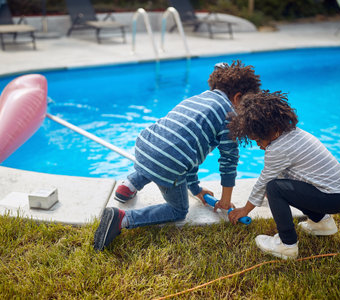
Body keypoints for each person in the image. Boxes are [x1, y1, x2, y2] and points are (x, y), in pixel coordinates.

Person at [94, 61, 262, 251]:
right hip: (167, 161)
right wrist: (225, 200)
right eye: (246, 106)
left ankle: (129, 185)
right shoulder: (230, 116)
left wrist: (196, 189)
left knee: (161, 155)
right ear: (238, 98)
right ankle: (123, 219)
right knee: (179, 209)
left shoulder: (200, 98)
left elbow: (187, 151)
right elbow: (228, 162)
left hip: (144, 145)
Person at [226, 90, 340, 259]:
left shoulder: (277, 148)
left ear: (272, 130)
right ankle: (322, 223)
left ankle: (287, 245)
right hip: (338, 194)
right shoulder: (292, 134)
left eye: (258, 140)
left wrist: (245, 210)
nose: (258, 145)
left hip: (332, 197)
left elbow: (264, 181)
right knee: (281, 186)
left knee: (274, 188)